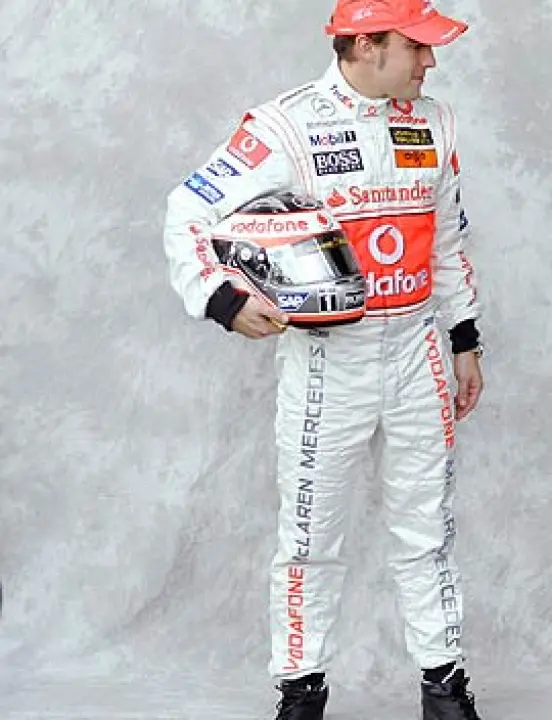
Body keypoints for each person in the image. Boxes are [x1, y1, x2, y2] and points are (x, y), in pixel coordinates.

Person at [160, 1, 485, 719]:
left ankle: (444, 687)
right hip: (328, 360)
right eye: (416, 46)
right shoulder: (285, 124)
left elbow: (447, 244)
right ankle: (301, 690)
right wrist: (221, 300)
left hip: (418, 352)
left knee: (428, 532)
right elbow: (188, 212)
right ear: (365, 44)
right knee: (310, 538)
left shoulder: (436, 121)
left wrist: (464, 340)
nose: (430, 61)